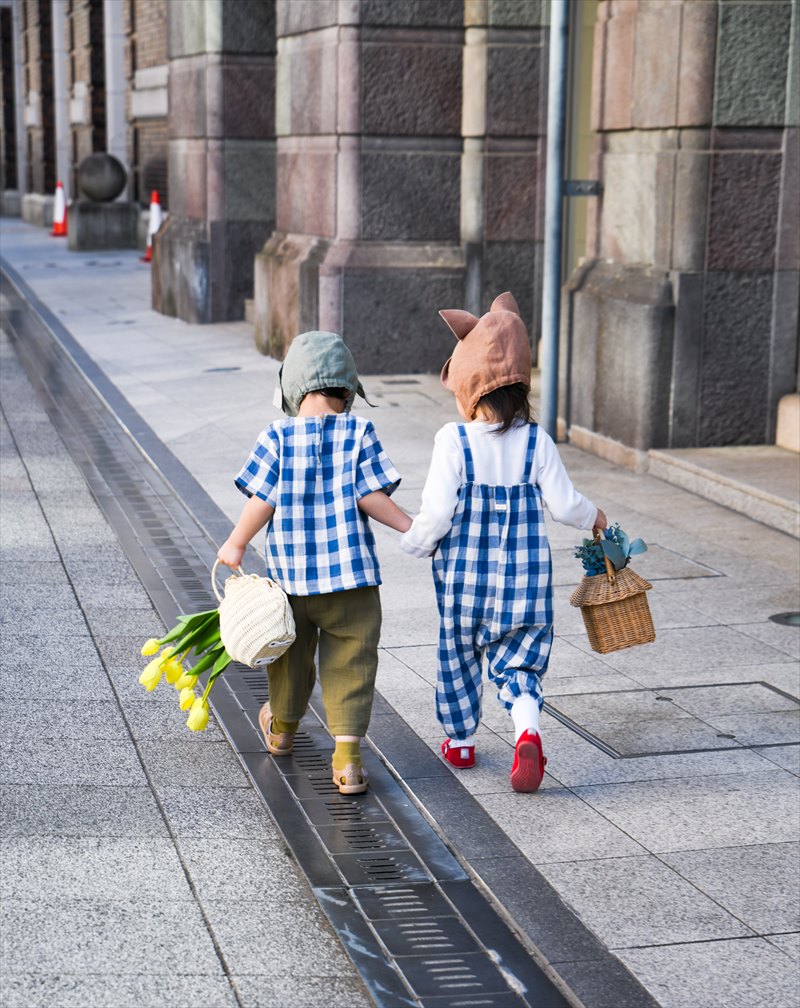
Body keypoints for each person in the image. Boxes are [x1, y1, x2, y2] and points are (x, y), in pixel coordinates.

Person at [400, 293, 606, 793]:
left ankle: (461, 741)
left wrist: (417, 541)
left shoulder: (453, 440)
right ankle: (527, 729)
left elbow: (438, 511)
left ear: (467, 381)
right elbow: (563, 505)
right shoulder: (537, 441)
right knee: (520, 659)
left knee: (458, 653)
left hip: (464, 581)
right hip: (525, 582)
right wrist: (595, 516)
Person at [217, 331, 411, 794]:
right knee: (352, 664)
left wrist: (235, 543)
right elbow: (371, 496)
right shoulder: (359, 432)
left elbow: (262, 501)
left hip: (293, 584)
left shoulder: (276, 436)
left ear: (292, 390)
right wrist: (412, 527)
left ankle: (282, 730)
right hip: (353, 583)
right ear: (347, 390)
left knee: (289, 660)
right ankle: (347, 761)